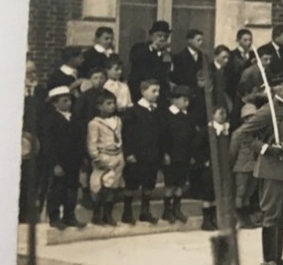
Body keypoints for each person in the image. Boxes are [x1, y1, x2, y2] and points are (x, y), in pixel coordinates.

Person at [232, 69, 283, 265]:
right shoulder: (269, 111)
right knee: (271, 215)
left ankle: (277, 257)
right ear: (280, 90)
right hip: (274, 168)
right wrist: (266, 149)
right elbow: (242, 134)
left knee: (282, 214)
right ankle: (268, 261)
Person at [40, 86, 85, 229]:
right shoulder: (51, 120)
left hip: (73, 161)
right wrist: (55, 164)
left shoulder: (75, 118)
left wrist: (82, 157)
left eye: (70, 100)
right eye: (64, 101)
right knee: (57, 189)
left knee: (72, 189)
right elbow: (48, 144)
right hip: (59, 162)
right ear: (55, 103)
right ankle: (54, 217)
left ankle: (69, 216)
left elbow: (80, 139)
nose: (68, 104)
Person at [121, 77, 165, 225]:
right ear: (143, 91)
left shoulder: (157, 110)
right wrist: (128, 153)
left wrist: (161, 152)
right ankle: (127, 212)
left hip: (152, 154)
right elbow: (126, 134)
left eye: (158, 91)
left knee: (148, 183)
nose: (157, 94)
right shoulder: (133, 111)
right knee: (132, 184)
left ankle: (145, 212)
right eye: (153, 91)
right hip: (136, 155)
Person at [158, 84, 199, 223]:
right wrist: (164, 153)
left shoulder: (188, 117)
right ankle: (167, 210)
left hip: (184, 155)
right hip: (171, 155)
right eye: (183, 99)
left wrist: (192, 155)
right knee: (170, 184)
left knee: (180, 183)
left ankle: (177, 208)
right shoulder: (166, 116)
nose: (186, 102)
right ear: (174, 100)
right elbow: (163, 136)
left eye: (188, 100)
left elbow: (192, 136)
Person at [85, 88, 125, 227]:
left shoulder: (118, 120)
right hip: (104, 157)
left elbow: (119, 138)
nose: (112, 106)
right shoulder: (94, 123)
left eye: (113, 103)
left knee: (113, 186)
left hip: (117, 156)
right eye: (108, 103)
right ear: (99, 106)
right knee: (99, 186)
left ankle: (108, 214)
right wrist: (96, 158)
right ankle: (97, 214)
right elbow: (92, 142)